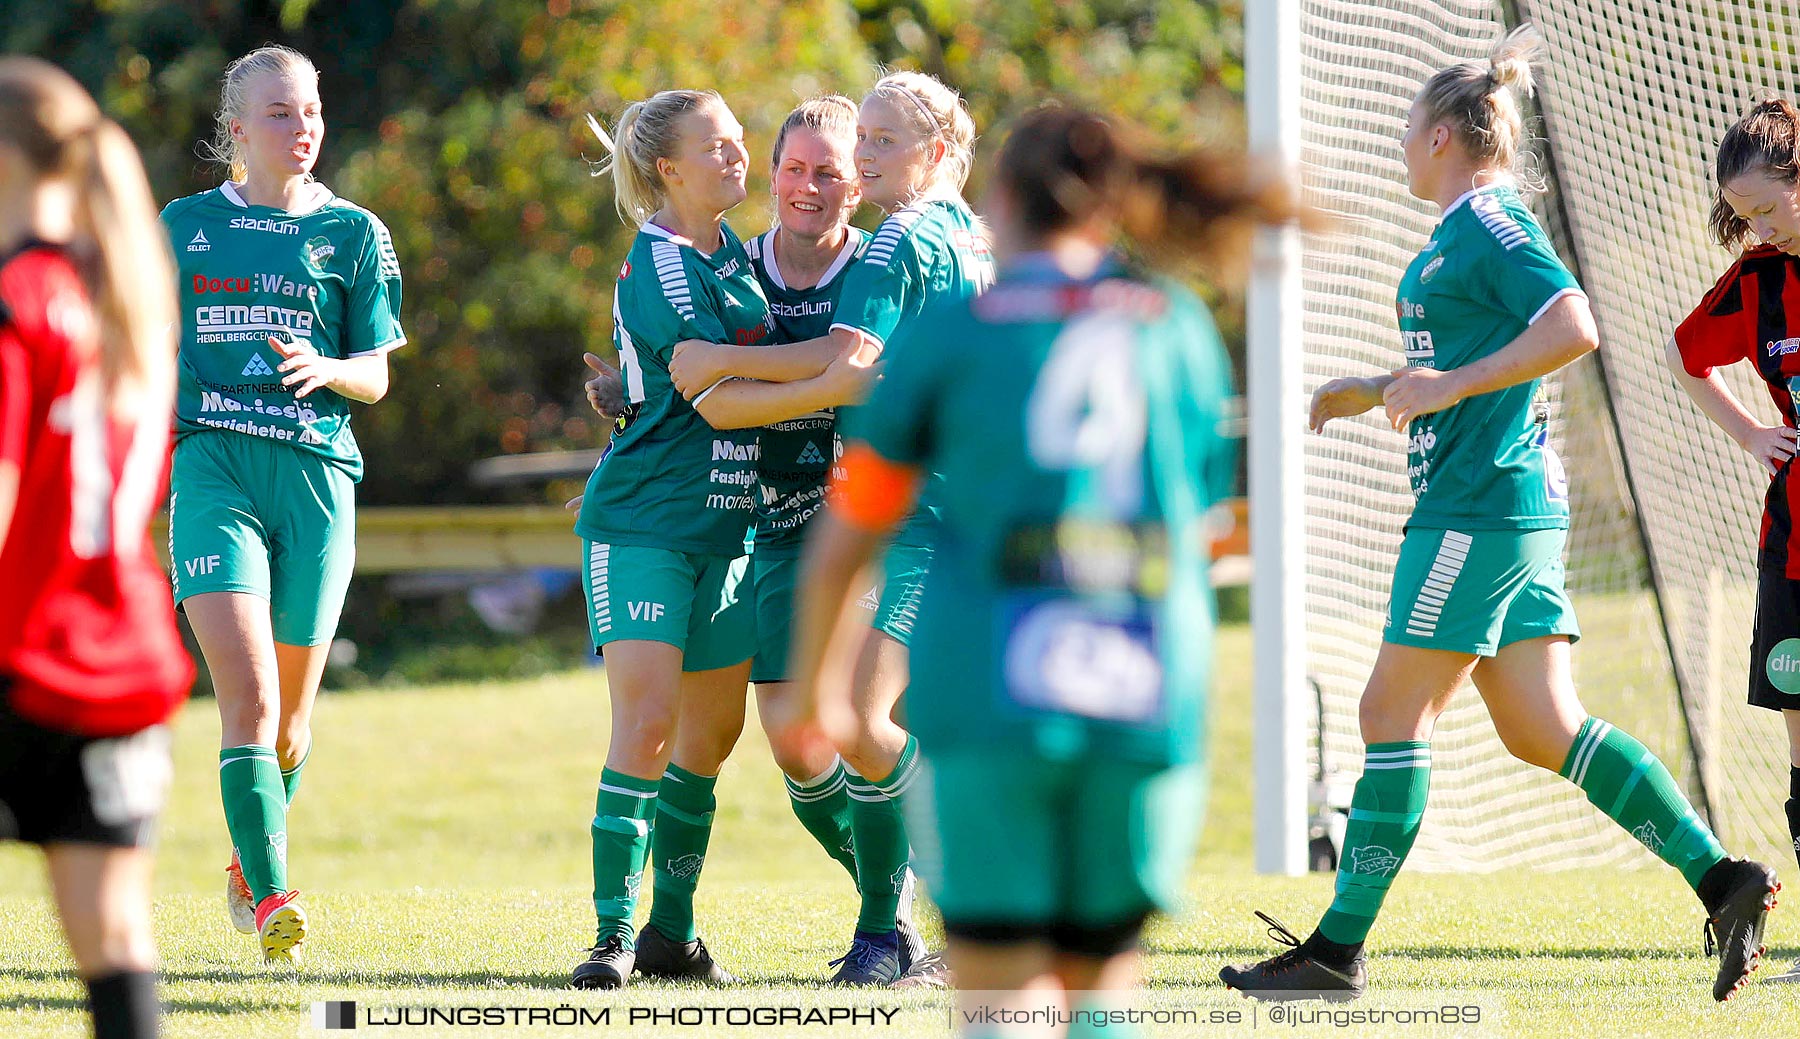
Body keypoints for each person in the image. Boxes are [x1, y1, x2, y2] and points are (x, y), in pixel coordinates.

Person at [1218, 24, 1779, 1004]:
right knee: (1540, 725)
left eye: (1406, 130)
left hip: (1479, 510)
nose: (1399, 146)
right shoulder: (1459, 234)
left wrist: (1445, 386)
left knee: (1389, 712)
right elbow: (1469, 366)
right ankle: (1722, 879)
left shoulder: (1489, 219)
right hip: (1496, 506)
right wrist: (1379, 384)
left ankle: (1333, 952)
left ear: (1442, 134)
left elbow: (1572, 324)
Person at [782, 102, 1261, 1035]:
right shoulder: (1177, 326)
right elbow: (1198, 516)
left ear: (999, 199)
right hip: (1140, 686)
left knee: (998, 999)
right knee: (1100, 990)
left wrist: (813, 685)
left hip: (995, 686)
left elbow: (855, 518)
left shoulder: (960, 331)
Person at [669, 70, 994, 985]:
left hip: (903, 513)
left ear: (928, 153)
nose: (847, 165)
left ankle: (910, 918)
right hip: (824, 519)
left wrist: (724, 372)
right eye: (801, 165)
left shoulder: (898, 244)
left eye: (874, 145)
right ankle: (922, 913)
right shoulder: (971, 236)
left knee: (861, 723)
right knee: (810, 743)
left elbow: (852, 361)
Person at [161, 44, 406, 964]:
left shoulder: (353, 232)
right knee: (250, 698)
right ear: (236, 130)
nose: (301, 128)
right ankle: (272, 899)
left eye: (309, 110)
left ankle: (245, 858)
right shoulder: (182, 226)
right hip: (213, 467)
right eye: (278, 113)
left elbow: (375, 375)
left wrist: (329, 368)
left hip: (317, 477)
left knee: (293, 725)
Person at [0, 56, 194, 1039]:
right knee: (114, 941)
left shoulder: (16, 298)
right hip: (116, 653)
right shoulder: (131, 305)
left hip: (16, 649)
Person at [570, 88, 776, 990]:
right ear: (668, 167)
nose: (738, 157)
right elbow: (720, 397)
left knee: (708, 743)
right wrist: (847, 380)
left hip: (729, 533)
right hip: (644, 524)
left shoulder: (734, 252)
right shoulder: (657, 264)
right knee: (647, 726)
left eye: (738, 142)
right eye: (716, 146)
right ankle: (611, 936)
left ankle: (672, 936)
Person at [1666, 95, 1800, 986]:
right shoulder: (1754, 284)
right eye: (1742, 217)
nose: (1754, 230)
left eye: (1768, 209)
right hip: (1794, 541)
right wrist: (1752, 433)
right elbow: (1685, 352)